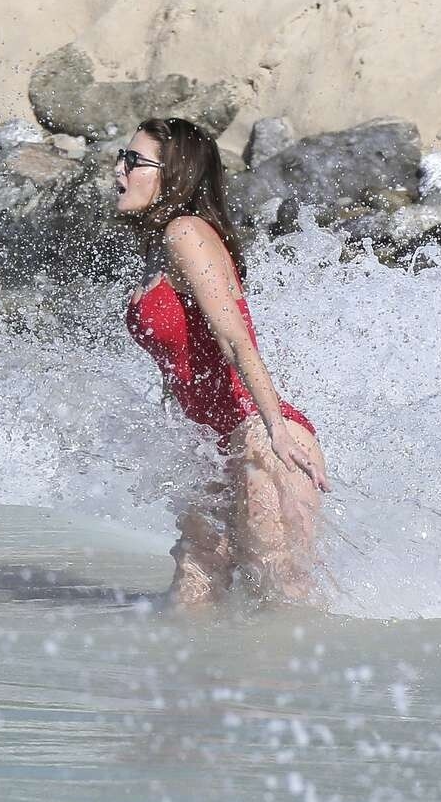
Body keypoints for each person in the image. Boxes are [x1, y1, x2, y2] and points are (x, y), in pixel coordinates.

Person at [115, 117, 331, 606]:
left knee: (284, 604)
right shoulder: (157, 248)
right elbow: (181, 363)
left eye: (134, 160)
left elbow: (234, 340)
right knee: (190, 603)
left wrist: (274, 430)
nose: (118, 169)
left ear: (174, 173)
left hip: (259, 437)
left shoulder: (186, 232)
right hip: (211, 451)